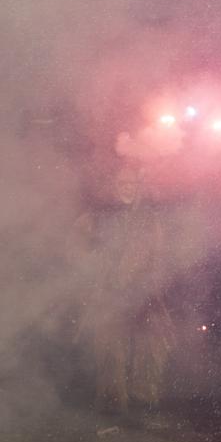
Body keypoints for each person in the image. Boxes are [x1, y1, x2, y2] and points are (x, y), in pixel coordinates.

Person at [74, 163, 177, 424]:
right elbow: (77, 244)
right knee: (109, 346)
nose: (127, 188)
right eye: (122, 184)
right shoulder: (99, 215)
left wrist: (153, 284)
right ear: (114, 186)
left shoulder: (149, 219)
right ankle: (112, 401)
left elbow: (160, 255)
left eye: (132, 184)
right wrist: (93, 269)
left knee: (152, 344)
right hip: (110, 292)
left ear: (138, 187)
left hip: (143, 291)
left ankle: (144, 397)